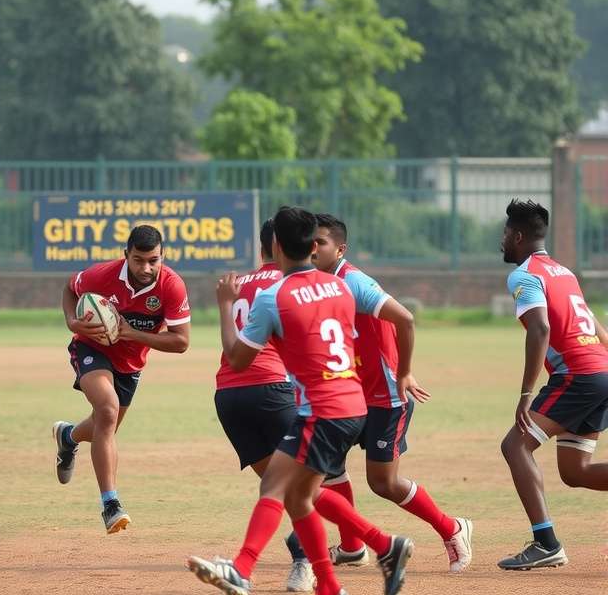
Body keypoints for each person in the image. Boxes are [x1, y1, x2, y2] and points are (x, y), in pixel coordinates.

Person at [188, 206, 413, 595]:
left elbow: (237, 359)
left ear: (275, 245)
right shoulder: (342, 286)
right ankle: (342, 575)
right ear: (313, 246)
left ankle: (242, 569)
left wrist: (225, 305)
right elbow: (399, 319)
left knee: (275, 487)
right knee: (301, 498)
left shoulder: (274, 297)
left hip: (320, 410)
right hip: (352, 404)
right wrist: (404, 371)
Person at [312, 213, 473, 572]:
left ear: (340, 249)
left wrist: (404, 372)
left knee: (383, 483)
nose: (313, 248)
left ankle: (452, 527)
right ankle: (352, 547)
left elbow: (405, 319)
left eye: (320, 242)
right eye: (310, 242)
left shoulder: (354, 282)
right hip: (347, 397)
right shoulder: (318, 284)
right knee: (328, 469)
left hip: (385, 396)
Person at [53, 225, 191, 534]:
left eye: (153, 260)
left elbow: (181, 341)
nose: (146, 268)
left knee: (106, 426)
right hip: (92, 348)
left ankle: (68, 437)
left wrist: (131, 333)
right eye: (138, 260)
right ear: (126, 255)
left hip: (130, 363)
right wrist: (72, 321)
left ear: (163, 256)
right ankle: (111, 504)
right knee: (108, 408)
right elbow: (69, 288)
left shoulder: (172, 286)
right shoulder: (102, 275)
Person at [499, 199, 608, 570]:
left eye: (505, 234)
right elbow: (594, 325)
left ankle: (546, 543)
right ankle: (546, 542)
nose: (502, 241)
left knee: (515, 445)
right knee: (575, 471)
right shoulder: (564, 273)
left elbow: (541, 328)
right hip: (599, 372)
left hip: (578, 376)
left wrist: (525, 394)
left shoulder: (524, 275)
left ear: (517, 236)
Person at [214, 219, 315, 592]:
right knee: (304, 488)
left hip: (229, 397)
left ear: (261, 249)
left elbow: (234, 348)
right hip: (276, 391)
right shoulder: (290, 284)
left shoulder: (237, 284)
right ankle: (311, 558)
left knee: (280, 489)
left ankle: (249, 567)